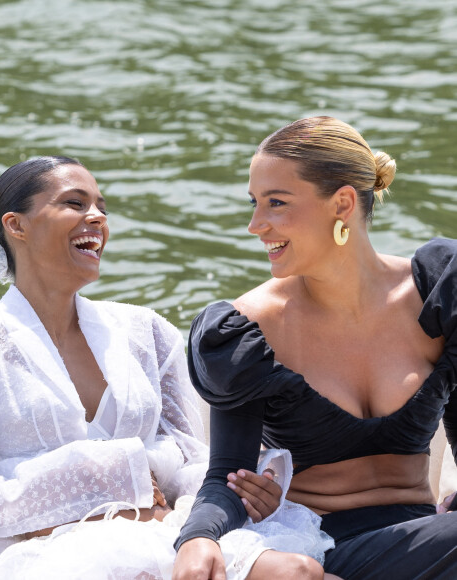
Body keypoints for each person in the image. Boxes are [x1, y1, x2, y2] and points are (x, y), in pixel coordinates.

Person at [0, 156, 335, 579]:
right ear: (16, 225)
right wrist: (110, 470)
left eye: (102, 208)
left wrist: (241, 487)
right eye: (75, 203)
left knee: (297, 570)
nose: (96, 217)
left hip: (164, 526)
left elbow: (188, 455)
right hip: (42, 552)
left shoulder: (146, 330)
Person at [172, 116, 457, 580]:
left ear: (342, 203)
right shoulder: (246, 330)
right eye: (254, 204)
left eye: (276, 203)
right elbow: (226, 477)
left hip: (427, 540)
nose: (255, 225)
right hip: (319, 547)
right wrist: (197, 538)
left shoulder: (438, 292)